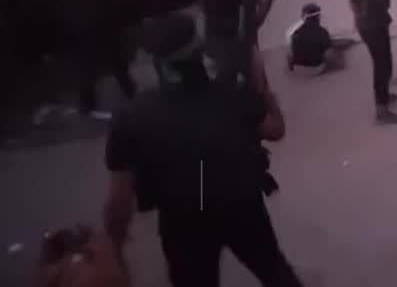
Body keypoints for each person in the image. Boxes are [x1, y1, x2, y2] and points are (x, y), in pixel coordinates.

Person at [102, 14, 302, 287]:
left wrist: (114, 248)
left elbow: (119, 202)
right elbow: (275, 129)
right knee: (274, 271)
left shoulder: (132, 116)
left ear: (159, 64)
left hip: (183, 219)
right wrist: (263, 88)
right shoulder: (231, 95)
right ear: (200, 52)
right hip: (241, 203)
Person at [286, 3, 345, 75]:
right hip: (315, 69)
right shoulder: (322, 31)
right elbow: (329, 48)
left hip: (297, 69)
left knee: (293, 50)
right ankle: (342, 68)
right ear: (317, 16)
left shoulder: (296, 32)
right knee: (330, 51)